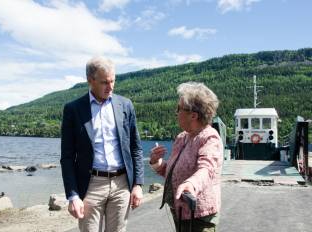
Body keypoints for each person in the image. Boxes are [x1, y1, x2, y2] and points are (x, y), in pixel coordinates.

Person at [60, 56, 144, 232]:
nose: (110, 86)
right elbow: (67, 157)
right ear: (90, 80)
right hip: (91, 185)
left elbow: (135, 147)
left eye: (113, 81)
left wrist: (138, 184)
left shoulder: (125, 105)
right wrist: (73, 195)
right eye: (105, 82)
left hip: (122, 184)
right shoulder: (73, 109)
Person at [150, 82, 224, 232]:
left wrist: (191, 184)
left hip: (199, 216)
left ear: (193, 115)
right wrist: (155, 162)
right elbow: (172, 173)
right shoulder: (182, 137)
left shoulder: (210, 138)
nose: (176, 112)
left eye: (179, 109)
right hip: (180, 211)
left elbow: (207, 168)